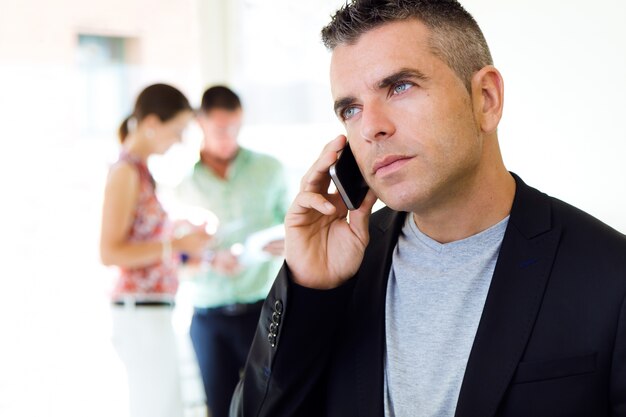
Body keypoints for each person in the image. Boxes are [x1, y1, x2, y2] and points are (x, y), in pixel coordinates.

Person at [230, 1, 626, 416]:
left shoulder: (610, 276)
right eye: (351, 109)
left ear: (486, 99)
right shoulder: (340, 268)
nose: (370, 127)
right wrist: (309, 290)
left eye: (399, 86)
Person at [174, 85, 289, 417]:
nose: (228, 136)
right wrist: (209, 260)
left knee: (272, 404)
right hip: (208, 317)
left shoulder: (270, 170)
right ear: (201, 124)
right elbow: (176, 261)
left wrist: (282, 244)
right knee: (220, 406)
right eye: (220, 128)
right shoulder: (181, 183)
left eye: (235, 127)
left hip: (263, 311)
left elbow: (295, 228)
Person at [100, 83, 212, 417]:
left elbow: (144, 247)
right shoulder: (125, 172)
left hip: (153, 310)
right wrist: (175, 245)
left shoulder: (141, 172)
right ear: (151, 123)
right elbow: (110, 252)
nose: (178, 140)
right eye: (176, 130)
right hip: (140, 314)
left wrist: (186, 252)